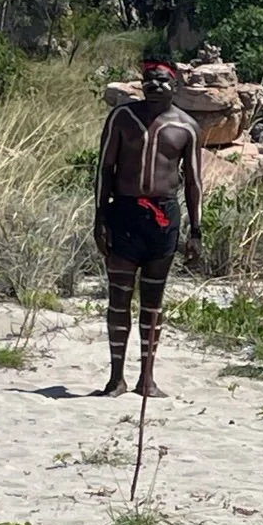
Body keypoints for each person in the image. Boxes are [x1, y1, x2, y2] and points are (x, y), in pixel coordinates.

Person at [92, 57, 203, 398]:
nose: (155, 85)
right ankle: (115, 378)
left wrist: (196, 231)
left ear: (176, 86)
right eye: (149, 80)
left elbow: (194, 183)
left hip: (163, 217)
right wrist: (99, 217)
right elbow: (104, 169)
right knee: (119, 298)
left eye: (162, 80)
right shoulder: (122, 118)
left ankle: (147, 378)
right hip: (123, 213)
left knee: (153, 300)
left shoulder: (186, 127)